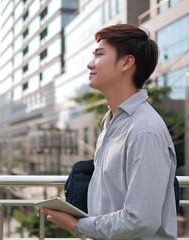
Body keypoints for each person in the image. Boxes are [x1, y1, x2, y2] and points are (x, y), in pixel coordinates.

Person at [41, 23, 177, 239]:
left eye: (99, 55)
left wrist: (78, 226)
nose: (90, 64)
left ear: (126, 62)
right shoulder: (111, 122)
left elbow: (141, 220)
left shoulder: (144, 130)